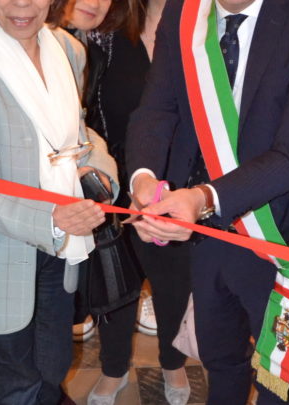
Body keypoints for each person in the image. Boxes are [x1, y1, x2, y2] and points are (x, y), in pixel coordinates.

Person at [124, 0, 289, 403]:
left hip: (278, 232)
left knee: (278, 379)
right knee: (219, 358)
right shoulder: (185, 13)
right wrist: (143, 180)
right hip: (205, 230)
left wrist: (204, 198)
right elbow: (156, 109)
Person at [0, 0, 118, 403]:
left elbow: (78, 136)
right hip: (0, 255)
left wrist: (100, 174)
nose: (22, 4)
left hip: (61, 252)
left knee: (52, 371)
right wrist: (52, 219)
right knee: (18, 389)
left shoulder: (67, 49)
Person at [61, 1, 193, 404]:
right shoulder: (106, 27)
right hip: (114, 180)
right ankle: (114, 368)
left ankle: (173, 362)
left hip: (179, 184)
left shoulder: (199, 28)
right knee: (115, 282)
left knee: (173, 282)